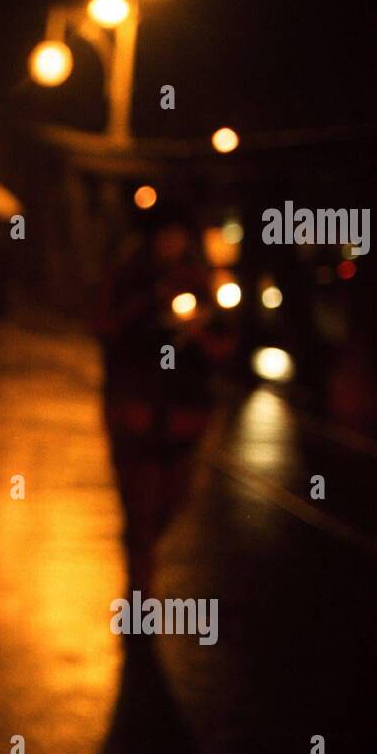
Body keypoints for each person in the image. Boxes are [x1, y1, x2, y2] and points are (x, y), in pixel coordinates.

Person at [96, 218, 227, 591]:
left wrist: (198, 332)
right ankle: (140, 586)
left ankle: (144, 553)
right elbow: (107, 327)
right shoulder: (128, 277)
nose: (171, 243)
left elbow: (223, 342)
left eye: (178, 235)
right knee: (138, 500)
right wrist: (146, 307)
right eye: (164, 235)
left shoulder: (199, 282)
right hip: (135, 408)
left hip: (185, 412)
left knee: (173, 498)